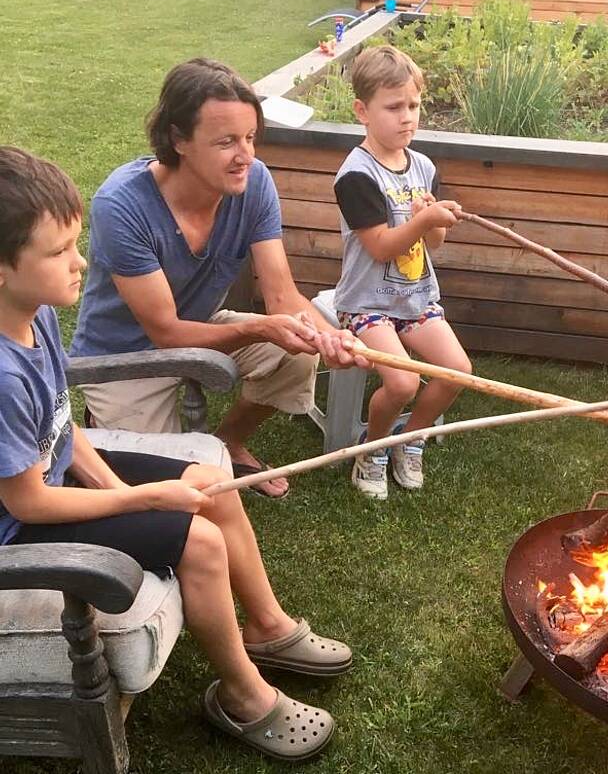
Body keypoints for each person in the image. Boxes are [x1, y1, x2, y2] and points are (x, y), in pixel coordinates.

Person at [0, 146, 349, 761]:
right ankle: (243, 698)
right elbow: (26, 498)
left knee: (212, 483)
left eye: (75, 244)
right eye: (58, 253)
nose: (80, 264)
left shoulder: (34, 315)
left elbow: (59, 428)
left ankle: (266, 626)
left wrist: (113, 495)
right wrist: (145, 499)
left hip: (50, 486)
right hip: (20, 525)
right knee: (200, 539)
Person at [69, 58, 366, 499]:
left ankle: (230, 438)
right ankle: (106, 425)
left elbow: (282, 295)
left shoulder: (254, 182)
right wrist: (261, 327)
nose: (246, 155)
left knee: (296, 355)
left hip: (202, 325)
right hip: (124, 356)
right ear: (178, 139)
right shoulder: (122, 205)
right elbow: (165, 333)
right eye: (227, 141)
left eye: (250, 137)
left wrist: (331, 338)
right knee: (168, 489)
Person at [333, 46, 472, 500]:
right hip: (367, 303)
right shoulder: (357, 175)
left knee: (457, 371)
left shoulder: (424, 166)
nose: (407, 117)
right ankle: (372, 449)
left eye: (413, 106)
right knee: (402, 380)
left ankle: (409, 438)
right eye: (394, 107)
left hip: (414, 298)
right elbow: (378, 247)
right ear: (363, 111)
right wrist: (420, 221)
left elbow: (431, 246)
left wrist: (434, 223)